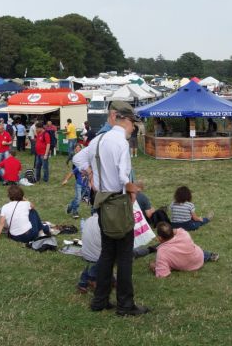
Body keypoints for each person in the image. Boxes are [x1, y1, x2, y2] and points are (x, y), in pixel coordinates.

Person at [72, 100, 149, 316]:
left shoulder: (98, 140)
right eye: (133, 122)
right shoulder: (120, 142)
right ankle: (125, 305)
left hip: (102, 204)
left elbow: (78, 158)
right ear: (124, 119)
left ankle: (100, 301)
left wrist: (90, 175)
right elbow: (124, 177)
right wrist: (134, 190)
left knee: (106, 255)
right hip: (120, 203)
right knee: (124, 257)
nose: (133, 127)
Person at [149, 222, 219, 278]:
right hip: (199, 257)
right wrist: (168, 230)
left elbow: (162, 275)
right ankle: (209, 255)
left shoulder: (162, 252)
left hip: (187, 266)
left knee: (166, 262)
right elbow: (176, 230)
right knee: (193, 249)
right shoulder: (183, 233)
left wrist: (153, 267)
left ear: (160, 238)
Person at [77, 213, 102, 293]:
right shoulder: (106, 222)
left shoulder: (89, 219)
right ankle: (91, 279)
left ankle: (84, 282)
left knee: (91, 262)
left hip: (85, 252)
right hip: (97, 256)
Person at [62, 144, 89, 219]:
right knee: (78, 198)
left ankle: (70, 206)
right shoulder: (80, 165)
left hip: (86, 185)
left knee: (78, 199)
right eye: (76, 148)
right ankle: (75, 212)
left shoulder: (89, 165)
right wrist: (66, 180)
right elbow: (72, 172)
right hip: (79, 184)